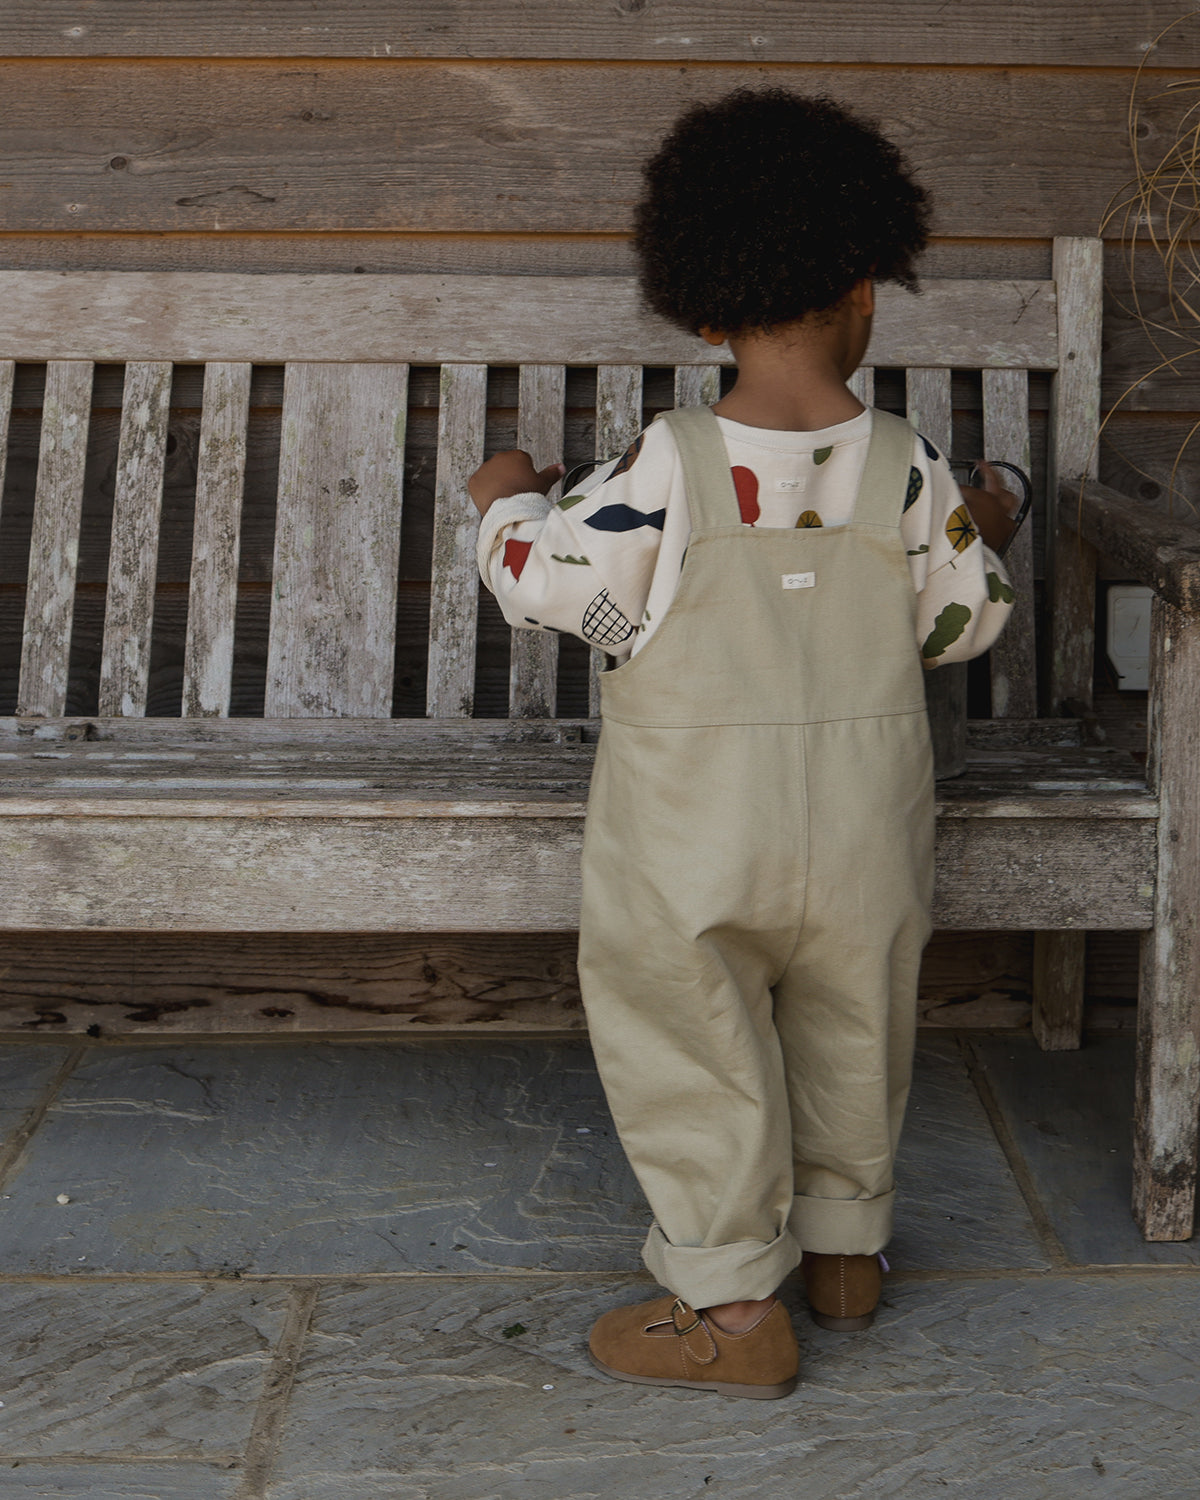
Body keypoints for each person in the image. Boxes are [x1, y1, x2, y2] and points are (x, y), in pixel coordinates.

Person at [468, 89, 1019, 1399]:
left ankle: (728, 1310)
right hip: (868, 821)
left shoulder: (666, 461)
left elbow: (556, 584)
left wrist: (503, 500)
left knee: (687, 1032)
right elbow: (959, 627)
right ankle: (843, 1259)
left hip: (691, 833)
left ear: (703, 308)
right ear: (867, 290)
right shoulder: (904, 466)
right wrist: (982, 520)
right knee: (854, 1021)